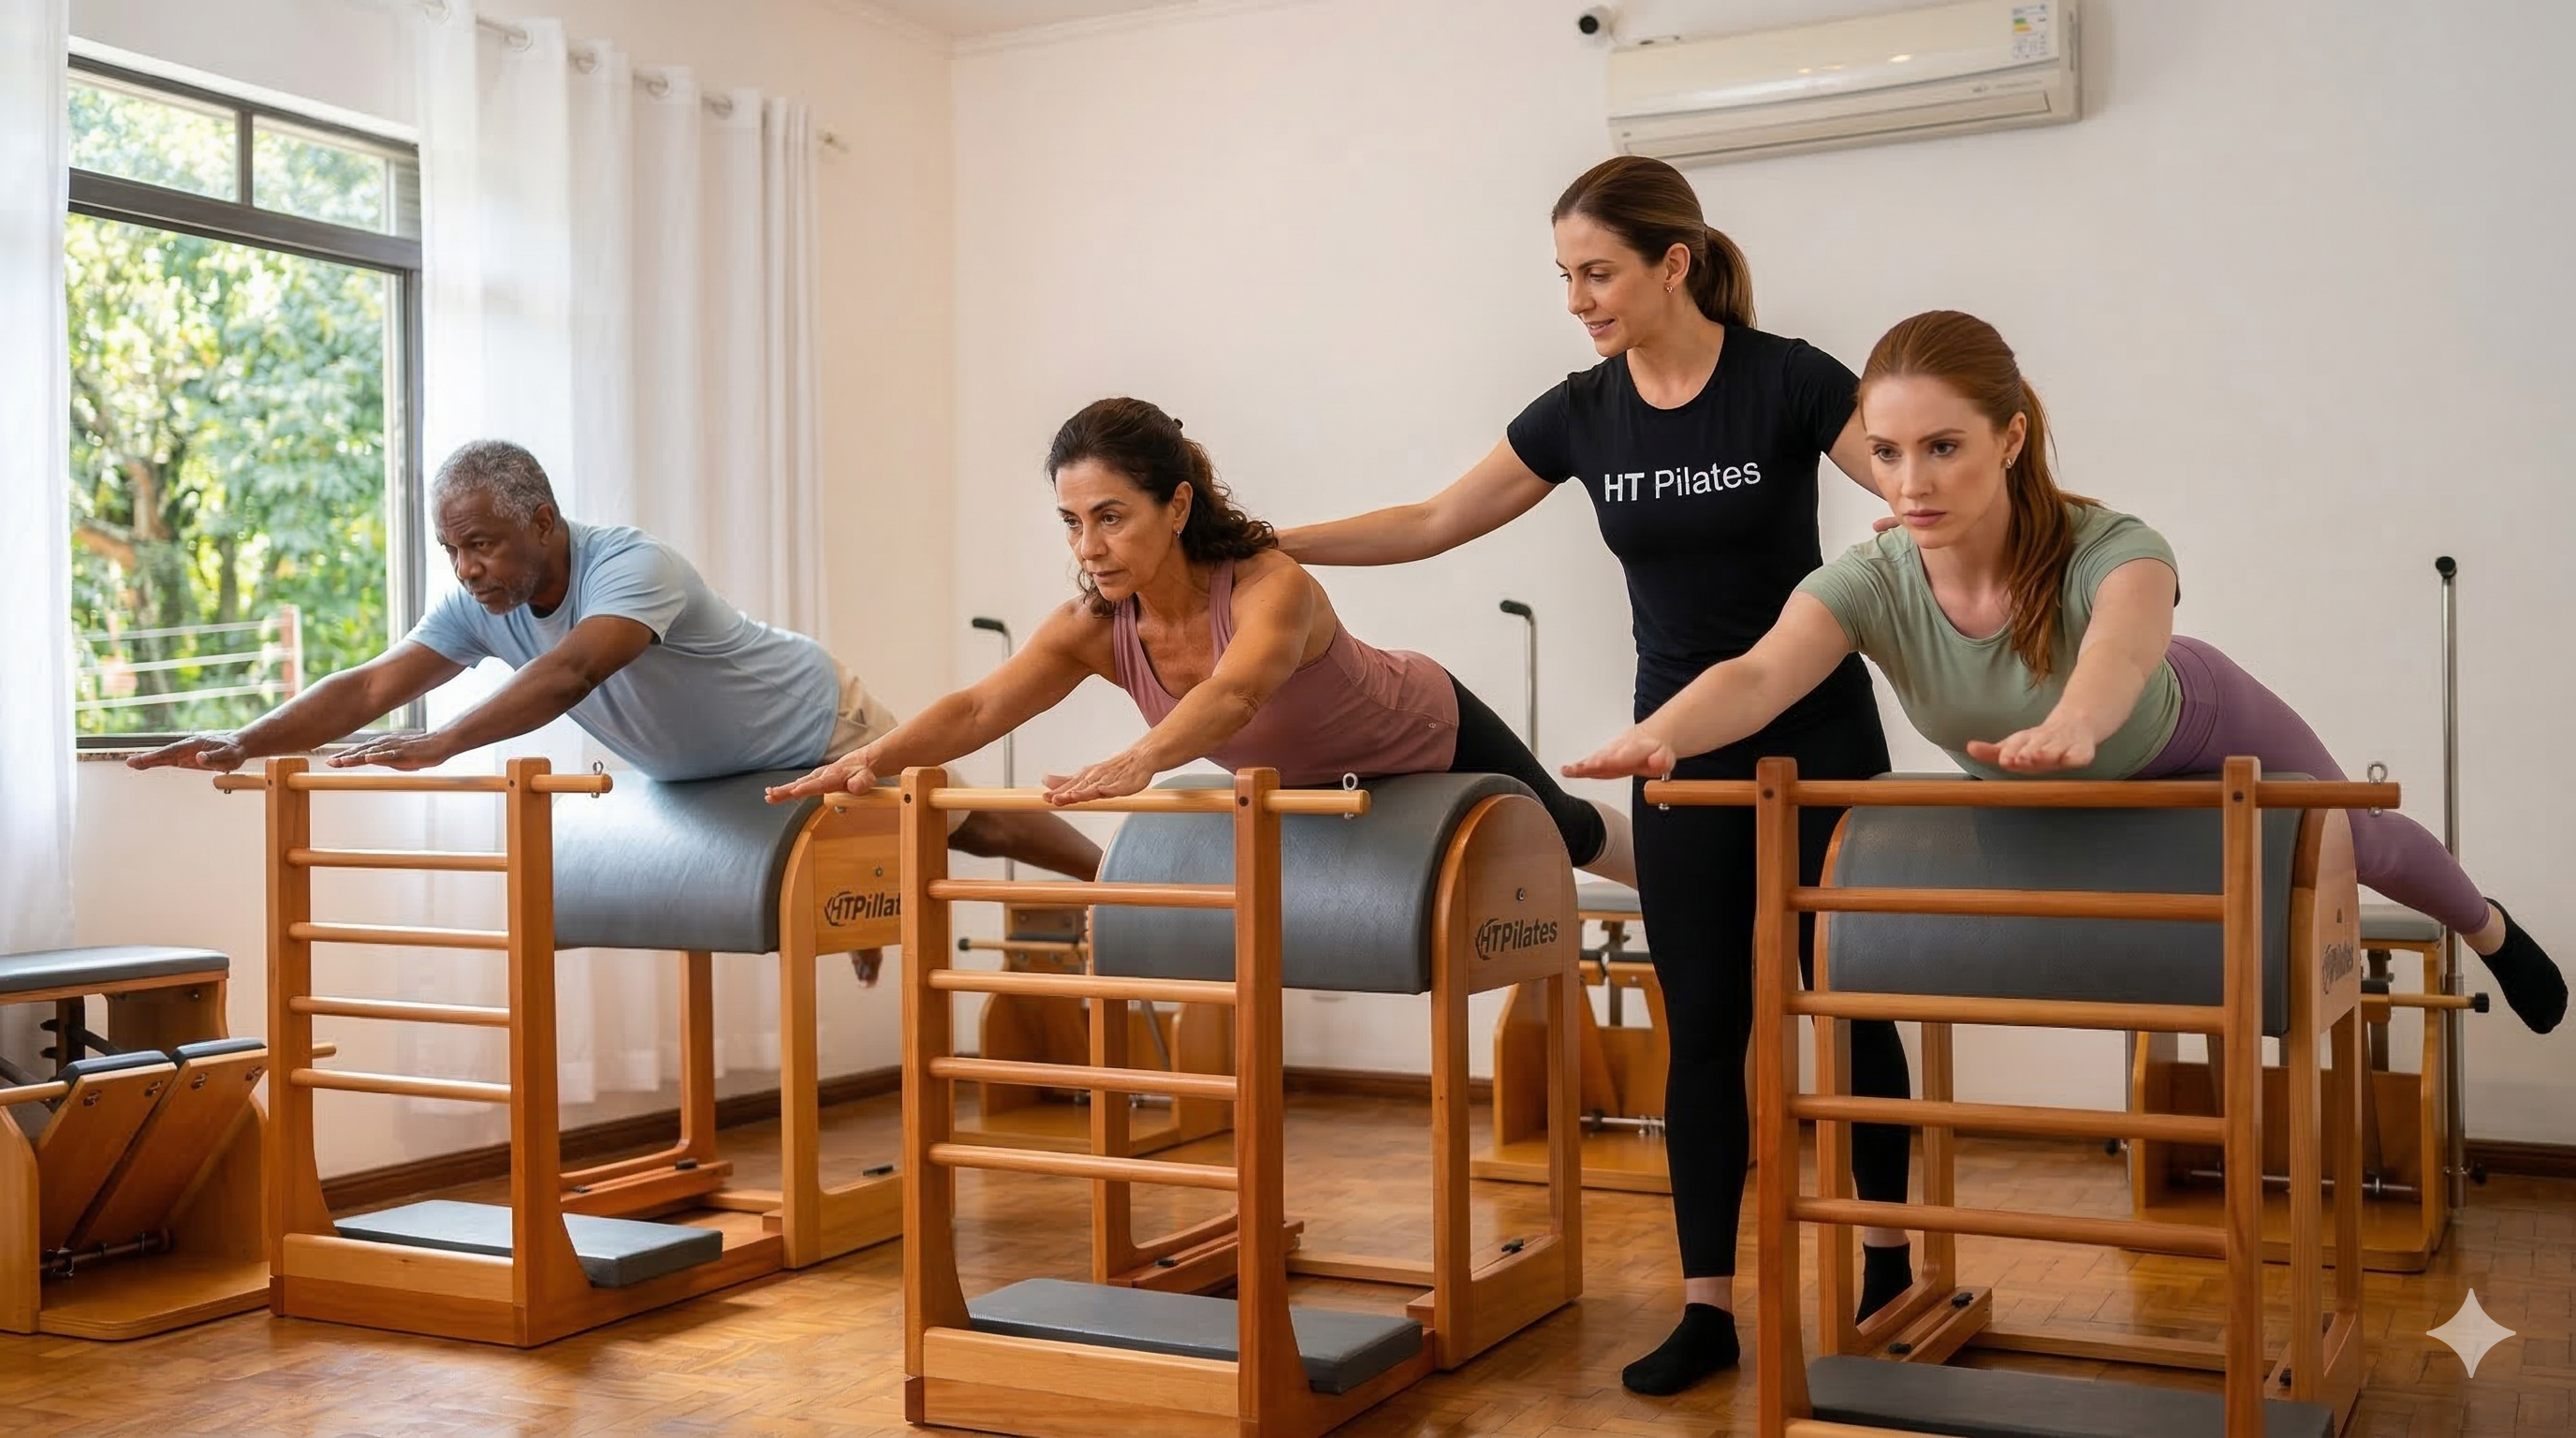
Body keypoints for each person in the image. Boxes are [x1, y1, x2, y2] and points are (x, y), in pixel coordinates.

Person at [1272, 154, 1911, 1392]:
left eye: (1599, 272)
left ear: (1676, 262)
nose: (1578, 298)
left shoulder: (1788, 379)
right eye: (1565, 276)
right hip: (1675, 744)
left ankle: (1886, 1264)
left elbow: (1901, 476)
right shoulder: (1582, 412)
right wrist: (1266, 540)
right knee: (1707, 1021)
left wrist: (1910, 506)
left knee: (1849, 996)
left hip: (1822, 728)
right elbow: (1428, 522)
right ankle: (1708, 1308)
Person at [1566, 306, 2566, 1048]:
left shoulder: (2113, 546)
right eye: (1886, 454)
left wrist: (2077, 726)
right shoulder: (1868, 582)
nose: (1910, 483)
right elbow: (1755, 674)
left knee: (2357, 836)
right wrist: (1665, 732)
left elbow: (2120, 653)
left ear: (2008, 439)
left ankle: (2485, 926)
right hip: (2050, 778)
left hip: (2192, 728)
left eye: (1943, 448)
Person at [131, 439, 1103, 985]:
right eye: (451, 550)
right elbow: (373, 685)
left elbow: (570, 676)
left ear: (542, 524)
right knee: (850, 871)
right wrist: (247, 739)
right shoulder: (483, 604)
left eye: (483, 545)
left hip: (808, 723)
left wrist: (442, 745)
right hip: (701, 776)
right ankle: (861, 912)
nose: (468, 570)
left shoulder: (631, 565)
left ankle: (1112, 886)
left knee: (964, 823)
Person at [768, 398, 1635, 890]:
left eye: (1112, 518)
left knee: (1562, 832)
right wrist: (869, 760)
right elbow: (982, 705)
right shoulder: (1093, 630)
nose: (1088, 547)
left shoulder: (1269, 585)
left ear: (1177, 508)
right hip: (1320, 786)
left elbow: (1235, 694)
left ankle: (1678, 883)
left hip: (1426, 731)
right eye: (1072, 522)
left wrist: (1142, 757)